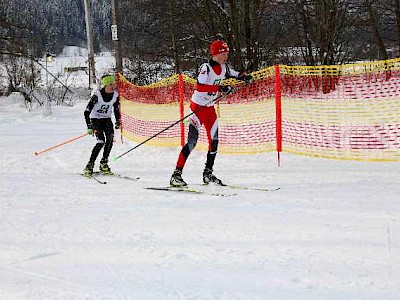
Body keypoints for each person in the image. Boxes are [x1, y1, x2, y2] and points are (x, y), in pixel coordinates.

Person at [170, 39, 253, 186]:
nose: (225, 57)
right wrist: (220, 88)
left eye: (227, 54)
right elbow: (200, 87)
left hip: (209, 109)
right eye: (223, 54)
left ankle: (208, 173)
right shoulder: (206, 68)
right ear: (215, 54)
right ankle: (176, 175)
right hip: (198, 108)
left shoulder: (224, 68)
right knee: (192, 142)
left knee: (214, 141)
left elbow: (235, 74)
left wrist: (244, 76)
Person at [83, 74, 121, 176]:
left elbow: (116, 110)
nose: (113, 86)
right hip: (96, 120)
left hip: (107, 120)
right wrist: (89, 126)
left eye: (114, 84)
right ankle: (90, 164)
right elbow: (86, 112)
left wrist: (118, 121)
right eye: (110, 84)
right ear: (105, 85)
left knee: (110, 139)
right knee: (100, 141)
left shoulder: (115, 96)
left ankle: (104, 162)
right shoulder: (97, 95)